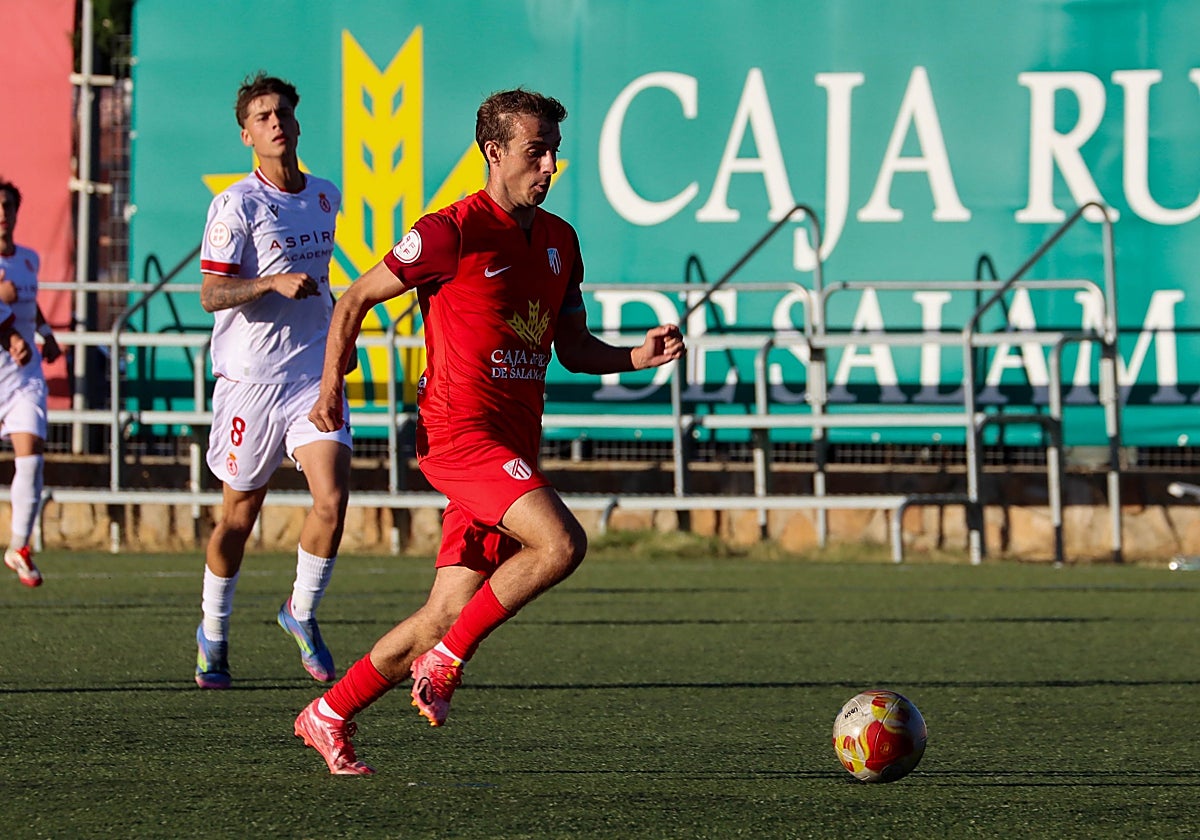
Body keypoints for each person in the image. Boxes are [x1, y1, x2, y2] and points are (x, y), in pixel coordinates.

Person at [292, 88, 686, 774]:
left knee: (443, 613)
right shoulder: (450, 230)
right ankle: (446, 665)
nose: (550, 165)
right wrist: (330, 387)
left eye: (555, 151)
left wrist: (634, 358)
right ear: (494, 151)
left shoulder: (562, 241)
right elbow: (353, 297)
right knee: (561, 544)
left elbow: (572, 348)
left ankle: (328, 712)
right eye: (537, 151)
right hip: (458, 437)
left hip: (508, 447)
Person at [194, 72, 352, 690]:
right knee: (238, 518)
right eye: (262, 116)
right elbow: (211, 293)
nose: (275, 122)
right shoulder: (235, 205)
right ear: (246, 134)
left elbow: (324, 285)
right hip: (250, 384)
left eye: (282, 112)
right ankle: (213, 629)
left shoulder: (324, 196)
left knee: (332, 500)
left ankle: (301, 612)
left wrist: (339, 354)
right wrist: (268, 282)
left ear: (297, 121)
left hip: (310, 378)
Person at [0, 178, 61, 588]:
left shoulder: (28, 259)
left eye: (8, 206)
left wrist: (43, 332)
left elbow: (26, 300)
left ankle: (19, 546)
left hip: (23, 378)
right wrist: (11, 336)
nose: (3, 214)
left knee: (32, 455)